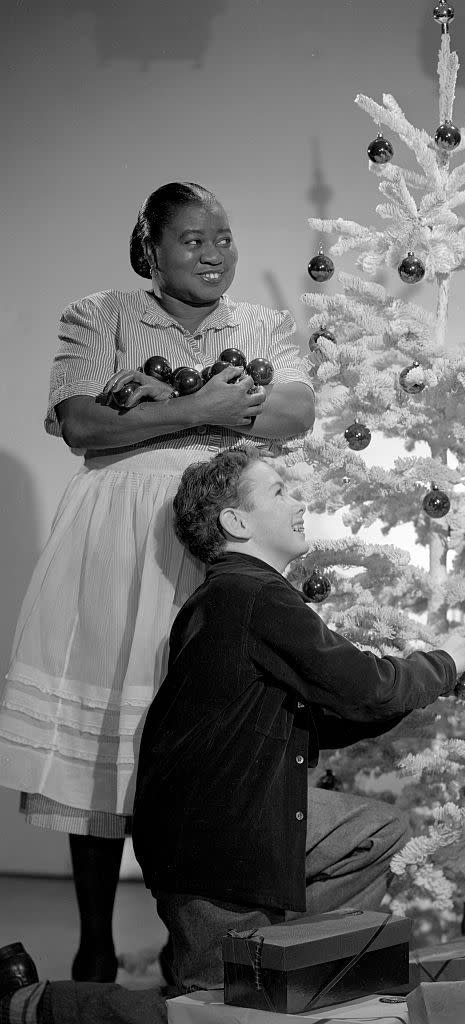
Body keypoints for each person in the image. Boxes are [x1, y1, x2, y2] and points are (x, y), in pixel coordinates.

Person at [0, 182, 316, 984]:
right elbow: (82, 425)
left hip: (220, 537)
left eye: (224, 238)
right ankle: (96, 941)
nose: (213, 255)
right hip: (119, 539)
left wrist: (165, 399)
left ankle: (197, 937)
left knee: (204, 723)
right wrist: (210, 404)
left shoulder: (265, 325)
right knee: (113, 723)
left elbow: (292, 416)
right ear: (151, 245)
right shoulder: (98, 315)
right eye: (192, 240)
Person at [131, 445, 465, 991]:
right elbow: (365, 686)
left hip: (233, 818)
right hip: (214, 845)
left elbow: (331, 715)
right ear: (236, 521)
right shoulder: (252, 594)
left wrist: (407, 695)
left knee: (378, 831)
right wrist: (446, 663)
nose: (299, 500)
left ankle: (306, 959)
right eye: (279, 491)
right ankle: (41, 1004)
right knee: (217, 1010)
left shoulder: (236, 597)